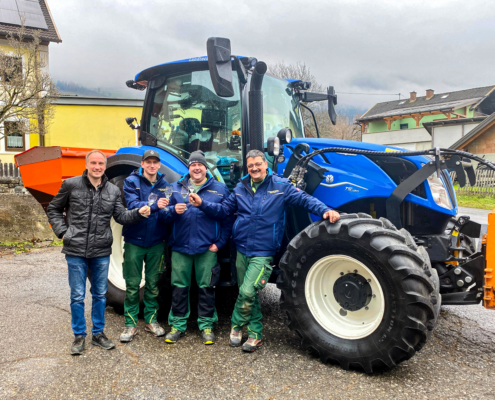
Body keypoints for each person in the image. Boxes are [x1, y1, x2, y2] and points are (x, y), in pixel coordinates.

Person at [189, 149, 340, 352]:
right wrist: (202, 204)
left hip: (264, 249)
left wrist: (325, 210)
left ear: (265, 165)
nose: (254, 168)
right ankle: (255, 334)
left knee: (247, 291)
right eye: (250, 165)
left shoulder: (281, 186)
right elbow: (223, 210)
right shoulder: (240, 188)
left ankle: (235, 325)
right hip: (241, 248)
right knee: (248, 294)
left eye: (258, 164)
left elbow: (304, 199)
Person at [47, 150, 150, 355]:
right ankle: (79, 336)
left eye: (101, 163)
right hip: (75, 250)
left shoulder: (112, 190)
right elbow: (53, 209)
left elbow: (121, 216)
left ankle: (98, 334)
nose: (97, 167)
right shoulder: (71, 185)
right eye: (93, 163)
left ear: (104, 166)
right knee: (77, 295)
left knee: (100, 295)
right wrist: (63, 232)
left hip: (102, 251)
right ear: (87, 165)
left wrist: (138, 213)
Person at [162, 150, 233, 345]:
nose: (196, 168)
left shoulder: (219, 188)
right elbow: (162, 214)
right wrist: (172, 212)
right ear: (189, 168)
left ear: (205, 168)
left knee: (207, 288)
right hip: (180, 247)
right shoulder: (173, 188)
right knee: (179, 288)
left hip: (206, 249)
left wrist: (219, 244)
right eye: (193, 164)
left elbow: (227, 218)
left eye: (200, 164)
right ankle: (177, 325)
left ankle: (207, 325)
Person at [119, 149, 173, 343]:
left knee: (153, 284)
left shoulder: (165, 185)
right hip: (135, 241)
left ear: (159, 165)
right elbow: (133, 204)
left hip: (156, 242)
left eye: (155, 162)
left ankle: (151, 320)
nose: (151, 165)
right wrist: (157, 205)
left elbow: (166, 211)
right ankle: (130, 323)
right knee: (132, 285)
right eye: (148, 162)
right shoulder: (131, 182)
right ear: (142, 164)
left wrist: (175, 211)